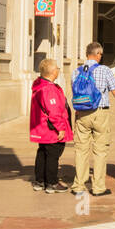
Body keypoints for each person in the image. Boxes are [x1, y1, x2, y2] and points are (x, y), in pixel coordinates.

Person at [70, 41, 115, 198]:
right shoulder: (104, 70)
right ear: (98, 54)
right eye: (101, 54)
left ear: (87, 54)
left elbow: (75, 93)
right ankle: (98, 187)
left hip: (82, 113)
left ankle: (78, 185)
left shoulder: (76, 71)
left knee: (81, 150)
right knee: (100, 150)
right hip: (100, 113)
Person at [29, 57, 73, 192]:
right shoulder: (49, 89)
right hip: (50, 129)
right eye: (58, 68)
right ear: (53, 71)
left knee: (42, 154)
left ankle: (39, 181)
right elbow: (53, 111)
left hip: (42, 128)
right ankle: (52, 183)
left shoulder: (40, 85)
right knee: (53, 155)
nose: (59, 70)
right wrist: (61, 128)